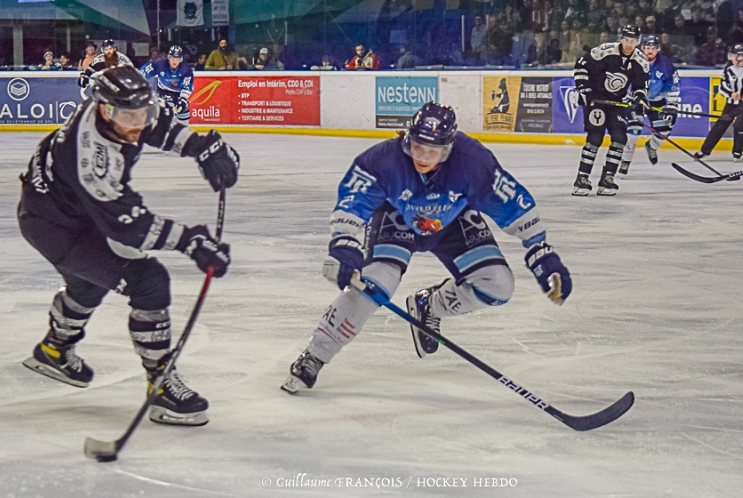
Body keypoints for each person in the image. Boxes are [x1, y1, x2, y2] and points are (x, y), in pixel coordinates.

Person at [280, 102, 572, 394]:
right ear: (407, 139)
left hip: (453, 220)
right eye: (417, 147)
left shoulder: (472, 161)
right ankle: (315, 355)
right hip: (397, 217)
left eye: (432, 152)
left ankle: (429, 305)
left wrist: (540, 249)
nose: (422, 157)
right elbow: (354, 200)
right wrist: (344, 242)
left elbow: (510, 201)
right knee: (373, 286)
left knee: (498, 285)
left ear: (449, 147)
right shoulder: (384, 160)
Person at [17, 64, 238, 427]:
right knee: (147, 281)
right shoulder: (92, 158)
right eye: (126, 116)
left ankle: (54, 350)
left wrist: (200, 146)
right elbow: (131, 228)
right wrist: (192, 242)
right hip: (52, 225)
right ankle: (161, 384)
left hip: (65, 209)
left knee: (88, 281)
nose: (136, 124)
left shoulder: (126, 110)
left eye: (142, 113)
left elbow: (160, 126)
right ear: (104, 109)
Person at [572, 25, 649, 196]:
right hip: (596, 101)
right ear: (621, 38)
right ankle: (582, 177)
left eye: (634, 41)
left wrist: (639, 97)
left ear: (638, 41)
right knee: (595, 137)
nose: (630, 44)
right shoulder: (605, 51)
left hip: (615, 102)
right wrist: (584, 89)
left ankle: (608, 178)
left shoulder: (640, 61)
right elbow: (581, 67)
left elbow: (641, 86)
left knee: (620, 138)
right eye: (627, 40)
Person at [695, 44, 743, 161]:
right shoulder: (729, 68)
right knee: (721, 123)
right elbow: (722, 86)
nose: (730, 57)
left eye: (733, 55)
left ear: (741, 56)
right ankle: (705, 150)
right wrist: (731, 94)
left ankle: (737, 151)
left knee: (740, 123)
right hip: (732, 103)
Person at [620, 35, 680, 174]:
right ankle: (625, 161)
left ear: (658, 49)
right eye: (647, 48)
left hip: (657, 101)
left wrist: (671, 104)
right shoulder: (632, 62)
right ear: (642, 49)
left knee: (664, 129)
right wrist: (628, 99)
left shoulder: (665, 64)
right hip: (636, 100)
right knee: (633, 132)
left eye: (653, 48)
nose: (650, 51)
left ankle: (651, 146)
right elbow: (623, 82)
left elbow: (673, 84)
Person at [140, 46, 194, 125]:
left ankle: (181, 131)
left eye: (177, 59)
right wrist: (137, 80)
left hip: (178, 94)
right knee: (166, 109)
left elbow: (187, 86)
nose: (174, 62)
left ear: (181, 59)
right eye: (172, 59)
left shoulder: (186, 68)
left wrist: (183, 99)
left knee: (183, 110)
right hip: (163, 92)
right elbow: (143, 72)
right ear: (168, 57)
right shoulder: (160, 64)